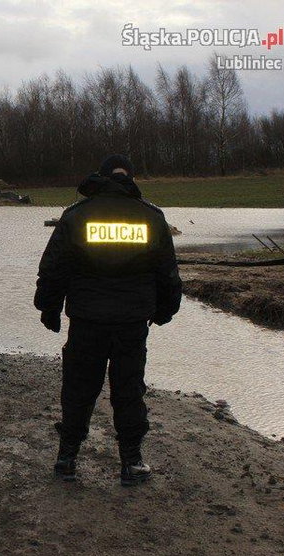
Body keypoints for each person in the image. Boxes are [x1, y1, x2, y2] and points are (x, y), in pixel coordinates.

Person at [34, 154, 182, 486]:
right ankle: (131, 463)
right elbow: (168, 274)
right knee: (129, 390)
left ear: (100, 177)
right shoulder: (151, 217)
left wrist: (49, 310)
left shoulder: (77, 215)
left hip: (87, 320)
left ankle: (66, 459)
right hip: (132, 323)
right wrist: (165, 311)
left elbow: (53, 268)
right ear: (130, 178)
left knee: (79, 388)